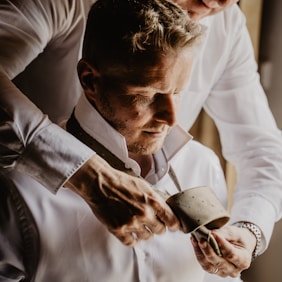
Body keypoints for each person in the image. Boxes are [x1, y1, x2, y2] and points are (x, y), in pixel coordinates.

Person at [0, 0, 281, 277]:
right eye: (145, 94)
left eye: (180, 92)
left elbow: (262, 147)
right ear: (89, 81)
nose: (214, 2)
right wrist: (85, 174)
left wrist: (250, 230)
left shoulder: (202, 166)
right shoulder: (15, 199)